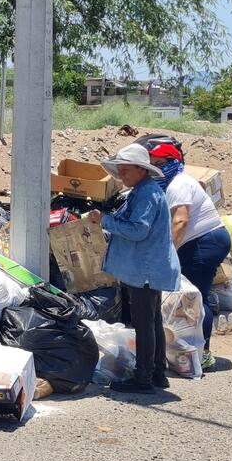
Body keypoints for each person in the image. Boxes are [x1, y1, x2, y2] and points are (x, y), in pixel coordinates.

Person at [86, 143, 181, 394]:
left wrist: (104, 220)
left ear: (141, 170)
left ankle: (143, 378)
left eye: (126, 171)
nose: (122, 176)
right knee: (152, 321)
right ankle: (157, 373)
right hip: (148, 268)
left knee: (144, 323)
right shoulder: (143, 191)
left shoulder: (147, 194)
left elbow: (138, 230)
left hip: (145, 270)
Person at [149, 141, 230, 367]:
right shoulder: (170, 185)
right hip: (201, 242)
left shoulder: (179, 184)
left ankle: (202, 354)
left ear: (175, 162)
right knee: (190, 297)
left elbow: (181, 221)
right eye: (153, 165)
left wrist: (168, 255)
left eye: (161, 163)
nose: (157, 168)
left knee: (194, 297)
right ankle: (190, 350)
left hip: (205, 242)